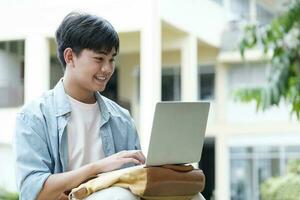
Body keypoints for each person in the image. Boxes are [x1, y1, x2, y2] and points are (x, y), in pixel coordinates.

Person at [14, 12, 145, 200]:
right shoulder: (34, 116)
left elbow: (136, 183)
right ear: (70, 57)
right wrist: (97, 167)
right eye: (99, 59)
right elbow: (33, 191)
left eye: (112, 59)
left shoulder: (122, 118)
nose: (107, 69)